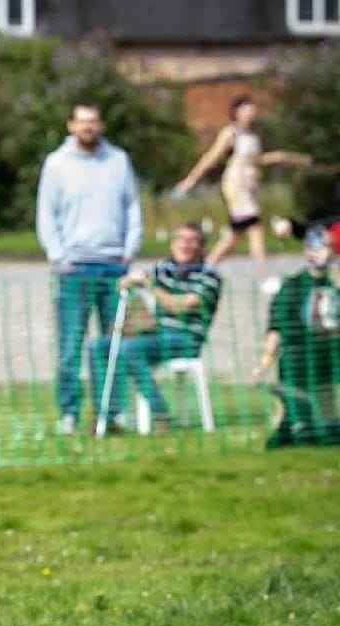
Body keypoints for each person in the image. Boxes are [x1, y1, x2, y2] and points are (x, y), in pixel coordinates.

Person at [36, 103, 142, 435]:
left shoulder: (118, 160)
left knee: (112, 346)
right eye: (82, 122)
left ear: (101, 125)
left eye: (93, 122)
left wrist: (129, 251)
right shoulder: (57, 164)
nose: (88, 128)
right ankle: (69, 413)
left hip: (114, 267)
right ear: (71, 125)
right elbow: (46, 214)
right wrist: (58, 257)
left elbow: (132, 207)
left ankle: (111, 413)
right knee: (70, 347)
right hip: (73, 269)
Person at [88, 222, 222, 434]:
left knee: (128, 350)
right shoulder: (163, 269)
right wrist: (128, 282)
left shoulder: (209, 277)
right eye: (180, 239)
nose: (184, 245)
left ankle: (160, 411)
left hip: (185, 340)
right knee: (98, 346)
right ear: (172, 243)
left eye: (191, 241)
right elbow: (127, 283)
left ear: (201, 246)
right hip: (156, 336)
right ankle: (108, 416)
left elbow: (179, 306)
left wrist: (149, 285)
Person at [173, 95, 312, 283]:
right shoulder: (231, 133)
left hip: (249, 186)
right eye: (246, 109)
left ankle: (203, 269)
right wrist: (190, 180)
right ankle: (265, 277)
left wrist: (286, 157)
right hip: (236, 186)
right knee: (255, 227)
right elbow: (211, 157)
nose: (250, 113)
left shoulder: (253, 135)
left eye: (252, 109)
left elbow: (257, 160)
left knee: (233, 237)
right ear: (236, 112)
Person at [253, 225, 340, 448]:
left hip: (329, 364)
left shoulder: (335, 285)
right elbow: (276, 330)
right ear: (307, 251)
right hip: (298, 365)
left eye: (331, 247)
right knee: (304, 435)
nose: (326, 252)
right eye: (321, 247)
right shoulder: (291, 287)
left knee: (330, 434)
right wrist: (263, 364)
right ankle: (289, 423)